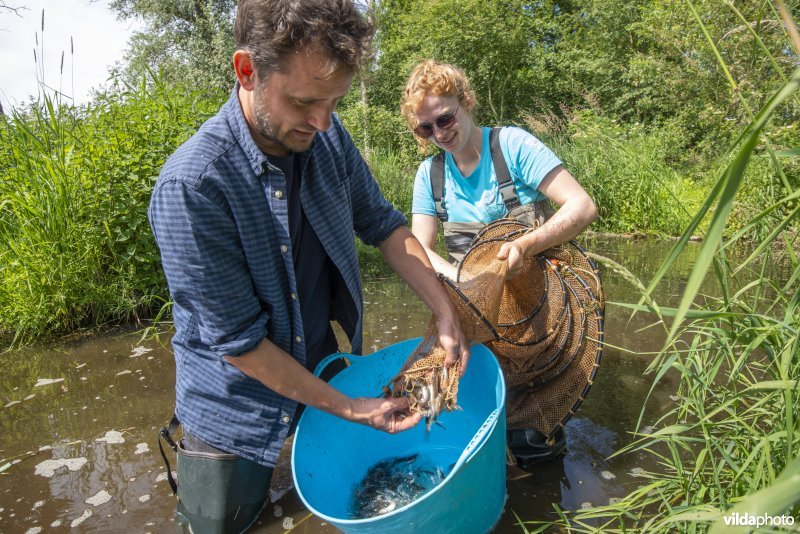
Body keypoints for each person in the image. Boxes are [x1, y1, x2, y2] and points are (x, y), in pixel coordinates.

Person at [148, 5, 469, 532]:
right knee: (224, 524)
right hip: (235, 412)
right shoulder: (192, 187)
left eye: (334, 102)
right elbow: (240, 344)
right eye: (304, 102)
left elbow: (384, 224)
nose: (321, 122)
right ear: (247, 71)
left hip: (323, 374)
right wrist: (352, 409)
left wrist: (444, 311)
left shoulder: (328, 135)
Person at [401, 60, 598, 464]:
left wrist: (528, 244)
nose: (439, 133)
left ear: (467, 102)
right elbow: (418, 250)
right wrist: (460, 276)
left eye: (445, 118)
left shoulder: (513, 146)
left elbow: (582, 206)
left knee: (531, 437)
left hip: (541, 308)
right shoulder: (430, 175)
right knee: (457, 412)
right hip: (477, 310)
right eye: (426, 128)